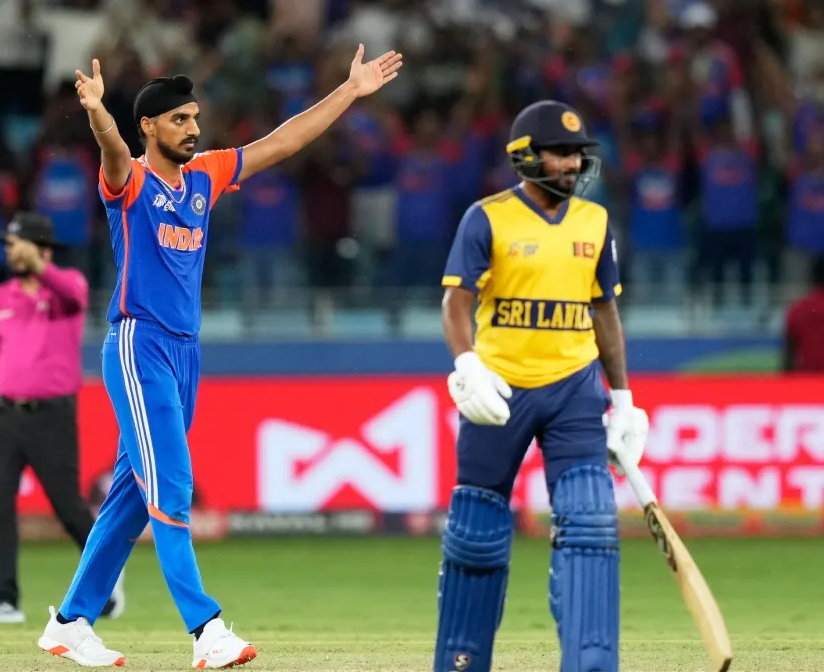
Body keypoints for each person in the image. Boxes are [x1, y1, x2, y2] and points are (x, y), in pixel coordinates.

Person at [36, 46, 403, 669]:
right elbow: (113, 152)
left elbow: (283, 143)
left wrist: (348, 91)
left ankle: (71, 623)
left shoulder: (204, 174)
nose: (192, 129)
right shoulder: (131, 181)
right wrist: (98, 112)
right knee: (172, 487)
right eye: (178, 120)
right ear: (149, 126)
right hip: (139, 346)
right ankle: (206, 629)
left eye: (195, 119)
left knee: (132, 495)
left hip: (185, 353)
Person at [435, 100, 649, 672]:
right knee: (476, 534)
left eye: (578, 154)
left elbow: (604, 312)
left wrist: (623, 399)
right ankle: (460, 662)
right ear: (526, 156)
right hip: (499, 392)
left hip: (575, 390)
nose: (572, 164)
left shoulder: (595, 221)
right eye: (560, 153)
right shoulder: (487, 217)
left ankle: (590, 664)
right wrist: (468, 365)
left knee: (590, 525)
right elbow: (455, 302)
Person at [0, 212, 124, 624]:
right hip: (4, 416)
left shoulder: (67, 288)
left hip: (52, 417)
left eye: (16, 244)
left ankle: (107, 578)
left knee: (68, 507)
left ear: (43, 249)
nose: (9, 252)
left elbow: (75, 295)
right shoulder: (0, 298)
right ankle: (3, 600)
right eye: (7, 246)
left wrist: (38, 264)